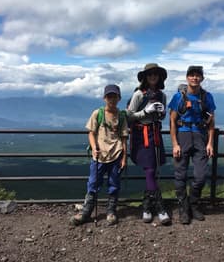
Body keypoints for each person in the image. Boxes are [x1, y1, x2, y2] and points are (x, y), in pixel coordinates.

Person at [70, 84, 128, 226]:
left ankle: (111, 211)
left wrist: (125, 157)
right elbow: (91, 132)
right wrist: (95, 147)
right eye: (109, 96)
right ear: (104, 98)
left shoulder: (121, 116)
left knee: (114, 184)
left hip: (116, 154)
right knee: (93, 183)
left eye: (114, 96)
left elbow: (124, 138)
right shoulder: (98, 113)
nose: (112, 99)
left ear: (119, 98)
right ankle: (87, 211)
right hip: (99, 155)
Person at [168, 65, 216, 224]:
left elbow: (211, 121)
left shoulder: (207, 97)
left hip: (200, 136)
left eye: (198, 75)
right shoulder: (178, 97)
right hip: (182, 135)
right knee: (180, 174)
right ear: (187, 77)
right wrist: (175, 143)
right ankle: (184, 207)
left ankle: (193, 204)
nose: (194, 78)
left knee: (201, 175)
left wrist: (210, 143)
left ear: (202, 78)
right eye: (192, 75)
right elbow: (172, 121)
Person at [127, 63, 171, 225]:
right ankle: (160, 207)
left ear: (159, 77)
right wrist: (146, 111)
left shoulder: (162, 96)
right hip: (141, 135)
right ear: (145, 77)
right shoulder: (138, 94)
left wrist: (160, 112)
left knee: (152, 171)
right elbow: (129, 116)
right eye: (150, 74)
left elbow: (161, 117)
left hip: (155, 134)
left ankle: (146, 206)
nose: (153, 76)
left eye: (155, 74)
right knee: (150, 169)